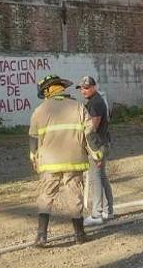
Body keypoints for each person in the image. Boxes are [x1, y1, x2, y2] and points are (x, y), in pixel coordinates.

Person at [28, 74, 95, 246]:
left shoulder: (40, 110)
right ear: (61, 88)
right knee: (75, 197)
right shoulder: (78, 107)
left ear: (46, 92)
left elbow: (33, 137)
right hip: (74, 161)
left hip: (49, 163)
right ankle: (79, 235)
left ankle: (41, 236)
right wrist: (96, 153)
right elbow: (90, 134)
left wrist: (33, 155)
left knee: (46, 197)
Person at [77, 75, 114, 226]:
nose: (83, 91)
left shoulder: (95, 103)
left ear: (94, 87)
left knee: (95, 178)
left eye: (86, 88)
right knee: (102, 177)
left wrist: (84, 141)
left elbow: (92, 128)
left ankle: (97, 214)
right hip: (102, 143)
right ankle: (108, 210)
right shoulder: (95, 100)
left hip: (97, 146)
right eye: (81, 88)